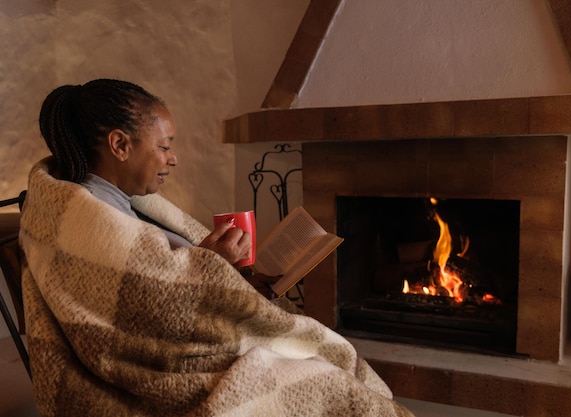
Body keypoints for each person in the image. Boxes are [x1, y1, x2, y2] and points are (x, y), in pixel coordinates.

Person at [20, 79, 416, 417]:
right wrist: (210, 268)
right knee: (325, 379)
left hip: (200, 340)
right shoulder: (86, 220)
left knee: (321, 363)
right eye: (164, 146)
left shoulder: (115, 202)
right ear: (120, 144)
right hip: (162, 374)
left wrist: (228, 279)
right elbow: (147, 312)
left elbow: (159, 285)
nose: (172, 159)